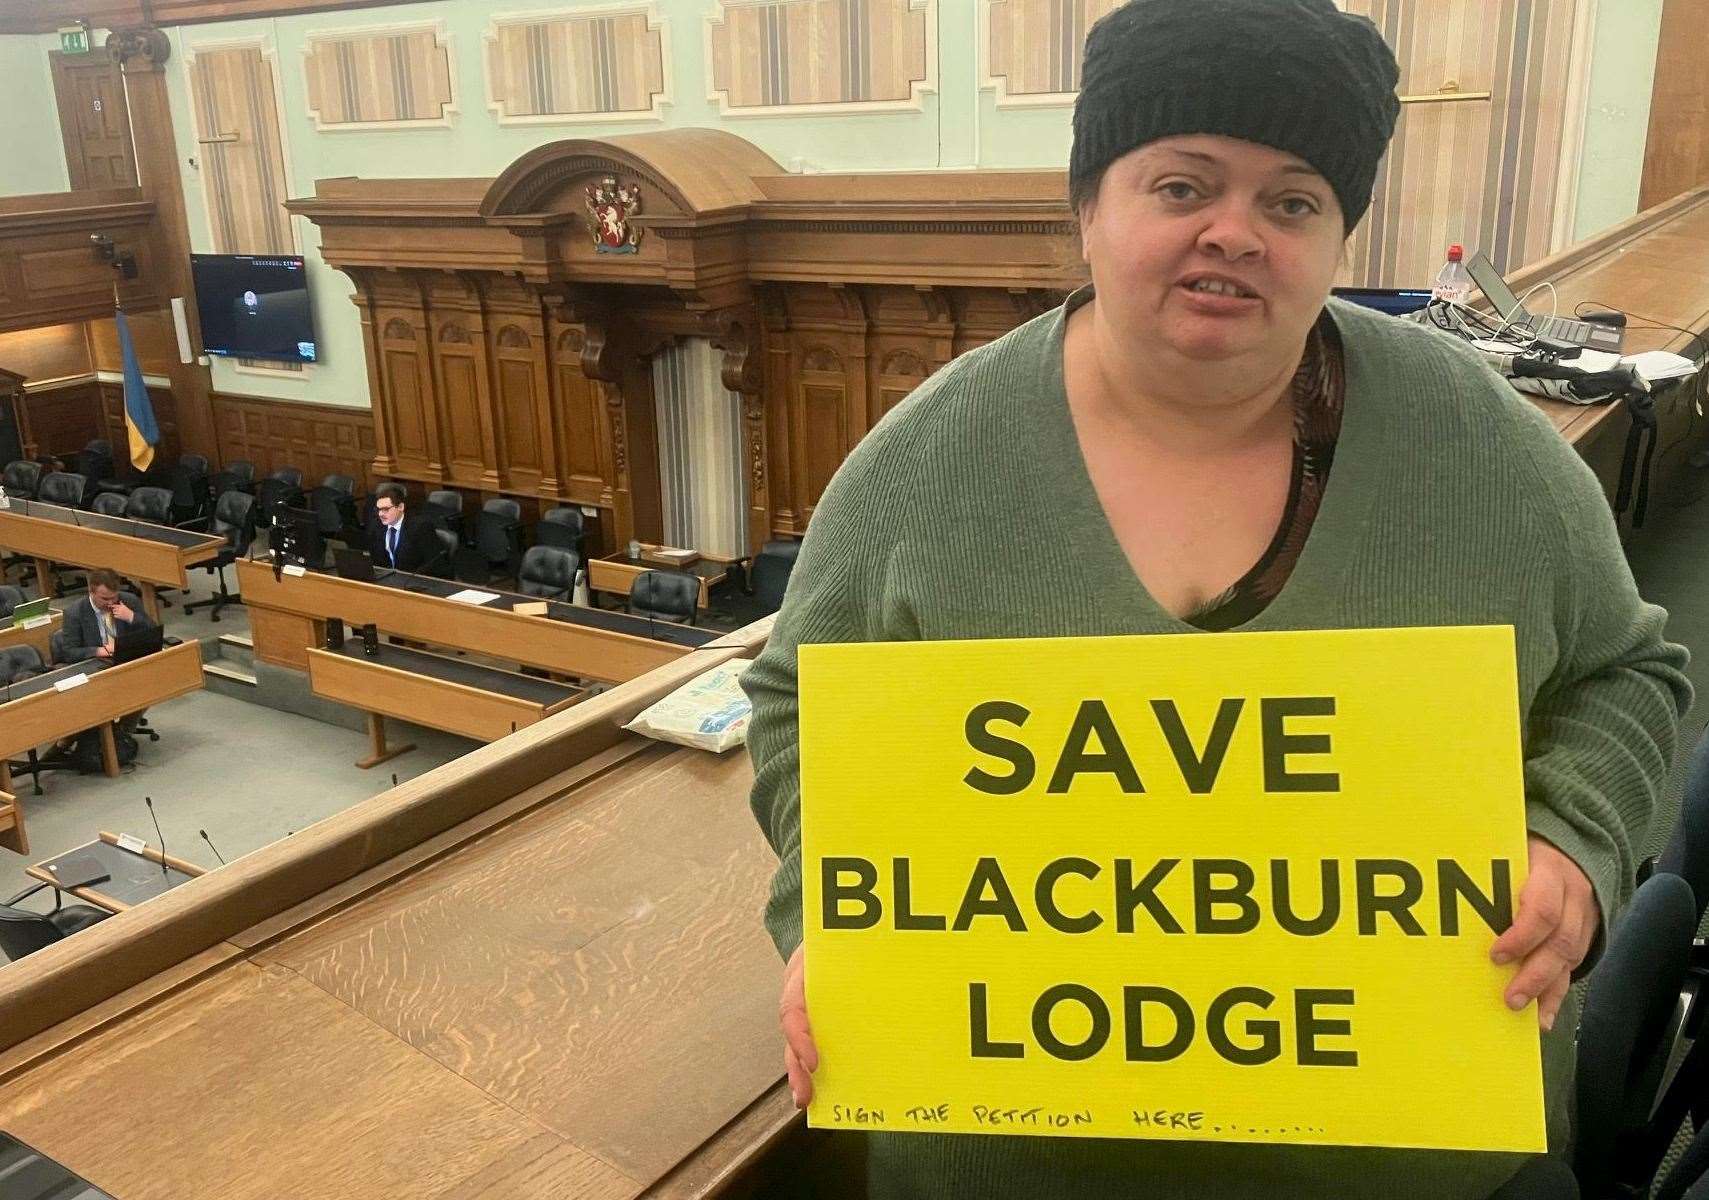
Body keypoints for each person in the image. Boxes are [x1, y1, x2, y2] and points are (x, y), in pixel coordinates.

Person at [741, 1, 1692, 1197]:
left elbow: (1626, 674)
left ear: (1337, 233)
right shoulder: (918, 469)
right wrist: (832, 909)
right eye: (1181, 186)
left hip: (1408, 1161)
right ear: (1088, 207)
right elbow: (792, 706)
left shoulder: (1485, 448)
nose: (1232, 233)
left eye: (1290, 201)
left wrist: (1572, 837)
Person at [61, 568, 155, 664]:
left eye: (114, 597)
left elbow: (154, 634)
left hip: (129, 659)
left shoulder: (129, 601)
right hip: (98, 663)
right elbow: (69, 652)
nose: (110, 603)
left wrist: (132, 616)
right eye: (105, 599)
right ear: (91, 592)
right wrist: (99, 651)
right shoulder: (74, 613)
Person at [366, 482, 440, 573]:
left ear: (400, 507)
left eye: (386, 509)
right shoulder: (377, 526)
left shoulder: (421, 527)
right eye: (379, 509)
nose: (381, 514)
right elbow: (373, 558)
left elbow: (433, 565)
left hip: (414, 581)